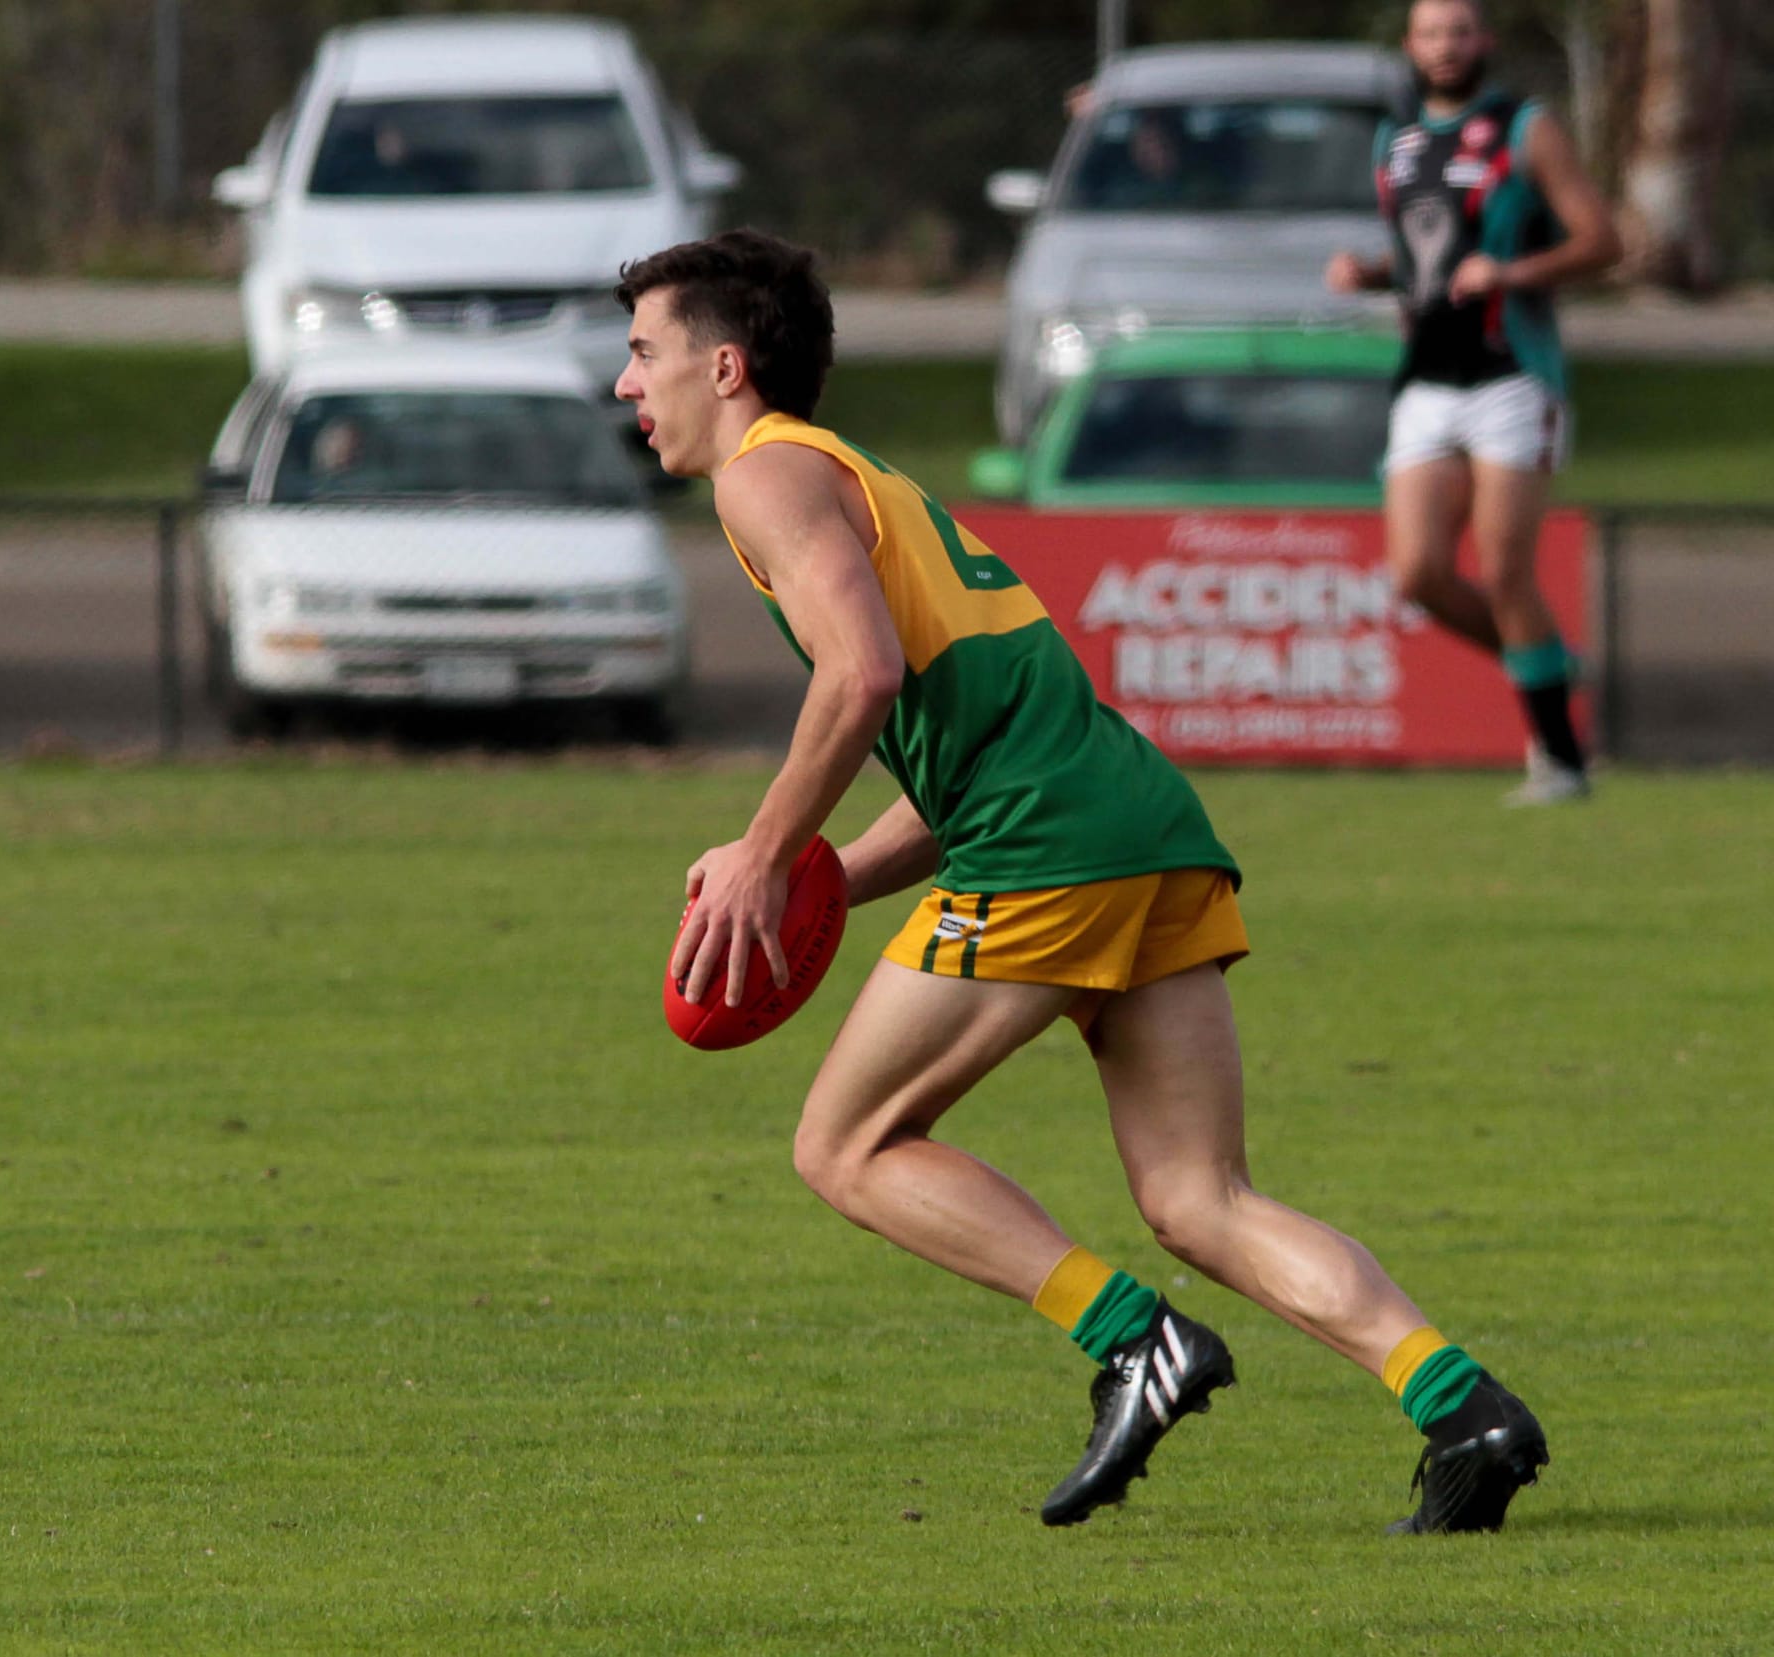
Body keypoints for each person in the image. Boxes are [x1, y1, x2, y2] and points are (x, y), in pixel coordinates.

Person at [615, 226, 1549, 1533]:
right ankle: (1462, 1404)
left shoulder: (763, 478)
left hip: (1048, 843)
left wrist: (765, 852)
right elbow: (958, 760)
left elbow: (862, 675)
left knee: (845, 1144)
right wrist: (810, 872)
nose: (624, 382)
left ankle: (1133, 1343)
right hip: (1137, 819)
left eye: (642, 350)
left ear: (724, 368)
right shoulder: (853, 476)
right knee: (1198, 1196)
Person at [1327, 0, 1621, 806]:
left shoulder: (1528, 129)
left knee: (1504, 568)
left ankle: (1560, 762)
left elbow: (1603, 241)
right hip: (1425, 382)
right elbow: (1431, 252)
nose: (1446, 47)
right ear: (1410, 46)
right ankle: (1548, 668)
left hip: (1510, 379)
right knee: (1417, 571)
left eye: (1460, 32)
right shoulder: (1399, 141)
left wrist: (1512, 275)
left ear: (1483, 42)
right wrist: (1372, 272)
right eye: (1431, 34)